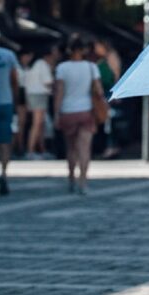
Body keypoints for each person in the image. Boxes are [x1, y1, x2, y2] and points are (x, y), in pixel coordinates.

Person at [54, 37, 104, 195]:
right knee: (84, 149)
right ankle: (83, 182)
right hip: (86, 111)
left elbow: (59, 93)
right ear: (84, 50)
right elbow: (99, 91)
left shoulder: (62, 68)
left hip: (67, 111)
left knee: (71, 148)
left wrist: (56, 113)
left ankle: (71, 179)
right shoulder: (91, 67)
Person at [25, 45, 58, 160]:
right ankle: (30, 151)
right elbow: (48, 82)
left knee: (40, 124)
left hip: (34, 95)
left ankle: (41, 149)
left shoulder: (36, 64)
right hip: (39, 95)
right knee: (37, 123)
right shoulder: (42, 65)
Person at [0, 44, 19, 196]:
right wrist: (16, 99)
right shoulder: (8, 55)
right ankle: (4, 173)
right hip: (5, 101)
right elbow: (14, 80)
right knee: (5, 141)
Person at [14, 49, 31, 158]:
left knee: (22, 124)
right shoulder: (17, 68)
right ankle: (18, 147)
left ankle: (20, 146)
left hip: (27, 95)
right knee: (19, 124)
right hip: (19, 95)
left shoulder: (28, 69)